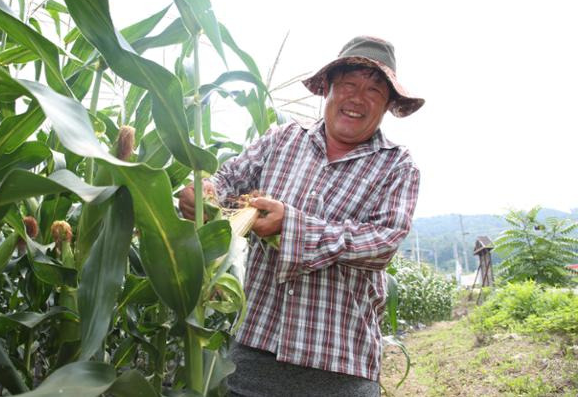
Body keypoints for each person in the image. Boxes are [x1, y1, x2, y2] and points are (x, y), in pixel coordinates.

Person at [179, 36, 424, 396]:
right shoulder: (282, 140)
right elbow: (225, 181)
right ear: (327, 89)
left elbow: (382, 242)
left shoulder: (397, 166)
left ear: (388, 105)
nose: (357, 98)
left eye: (374, 90)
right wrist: (199, 192)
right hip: (254, 355)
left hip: (340, 368)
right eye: (348, 84)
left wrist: (290, 225)